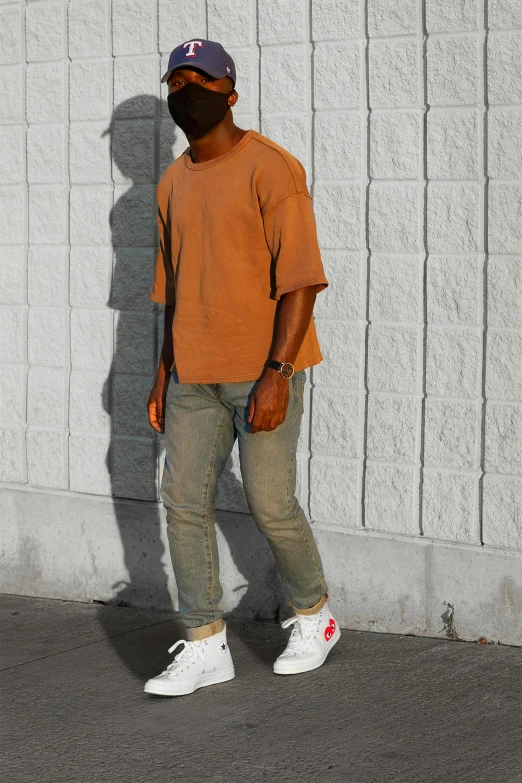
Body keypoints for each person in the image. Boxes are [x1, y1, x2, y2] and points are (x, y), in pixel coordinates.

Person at [144, 39, 340, 697]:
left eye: (200, 78)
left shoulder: (271, 168)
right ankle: (205, 643)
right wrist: (161, 372)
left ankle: (314, 615)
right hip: (193, 376)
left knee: (269, 500)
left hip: (263, 370)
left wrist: (279, 372)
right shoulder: (172, 183)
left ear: (231, 91)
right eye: (175, 79)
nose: (185, 88)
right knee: (182, 504)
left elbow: (302, 282)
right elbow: (173, 290)